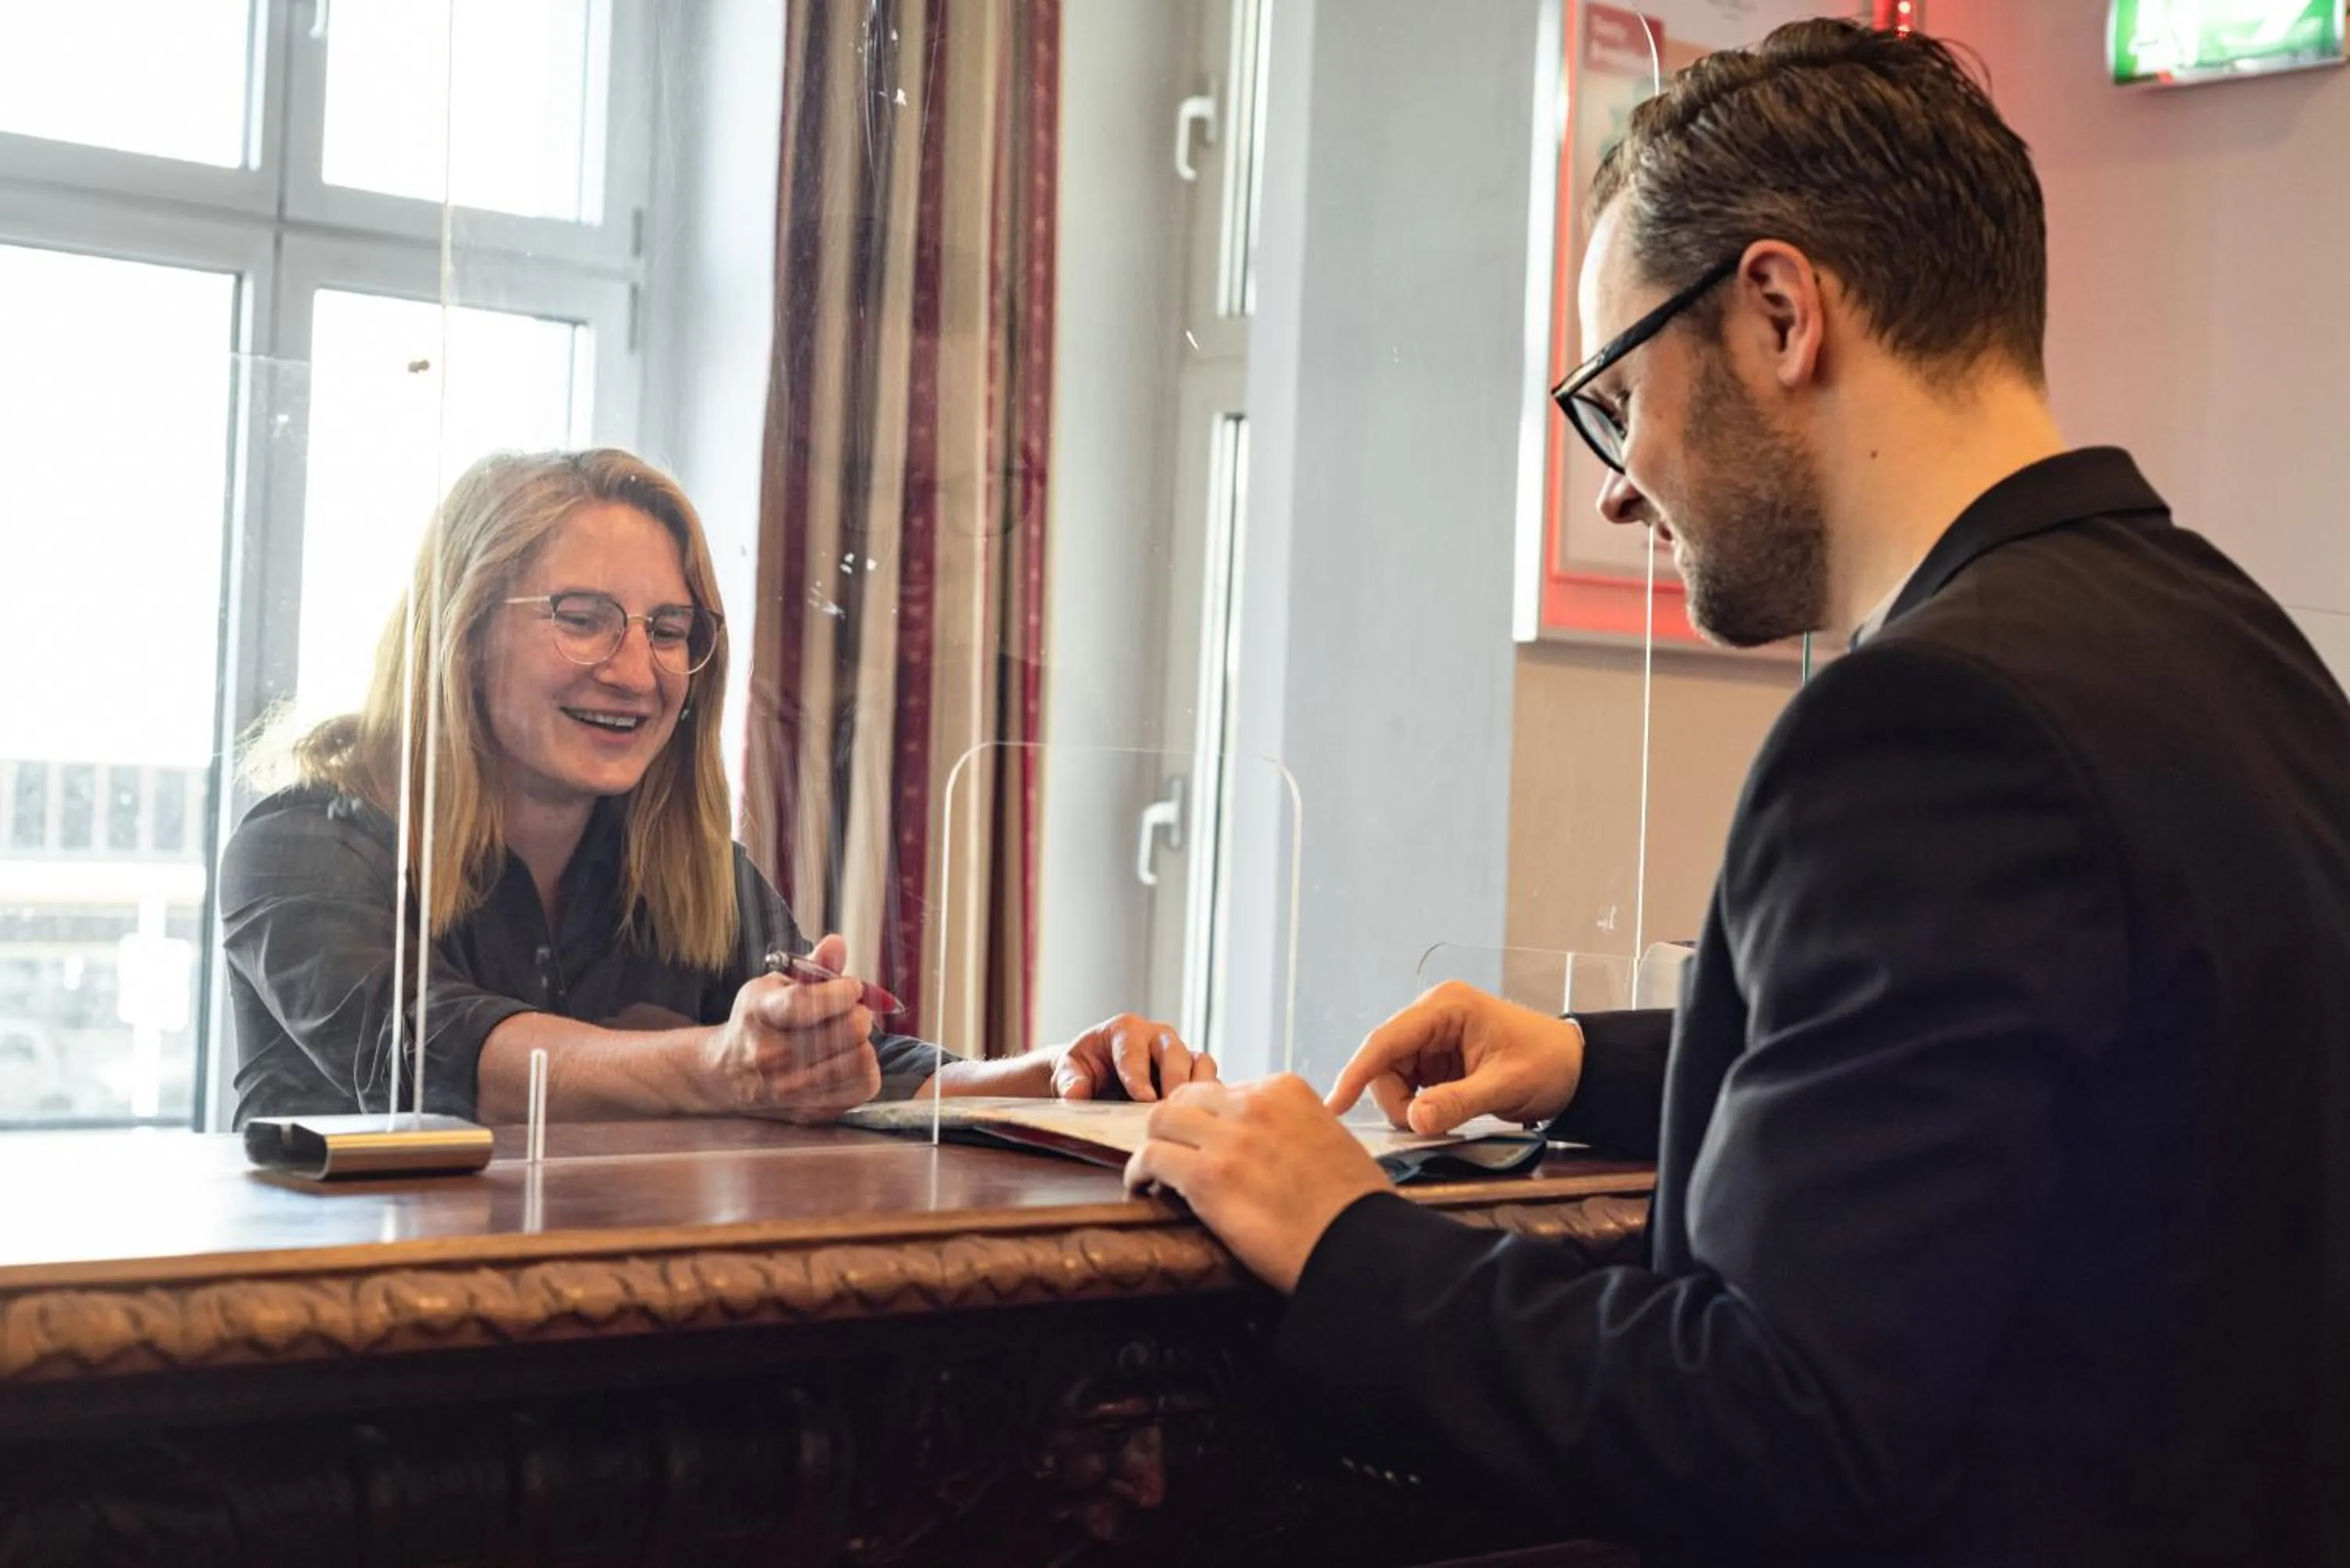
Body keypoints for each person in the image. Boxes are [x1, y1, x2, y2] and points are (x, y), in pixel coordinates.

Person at [1125, 20, 2347, 1567]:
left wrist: (1346, 1235)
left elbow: (1778, 1435)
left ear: (1779, 311)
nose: (1617, 480)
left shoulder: (1924, 724)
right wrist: (1591, 1060)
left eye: (1618, 393)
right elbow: (2036, 1077)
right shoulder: (2242, 645)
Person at [223, 448, 1208, 1126]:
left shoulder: (688, 867)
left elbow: (842, 1072)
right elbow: (422, 1058)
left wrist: (1052, 1076)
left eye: (668, 630)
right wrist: (724, 1063)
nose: (636, 671)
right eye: (583, 617)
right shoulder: (303, 841)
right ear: (461, 630)